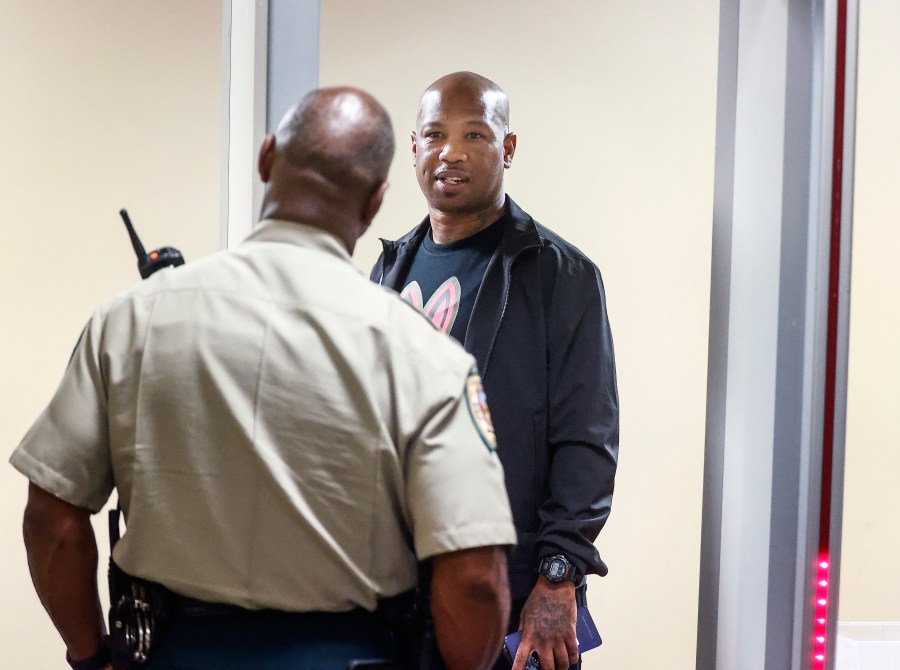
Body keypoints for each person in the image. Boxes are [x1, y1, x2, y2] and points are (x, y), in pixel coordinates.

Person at [12, 86, 517, 670]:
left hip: (172, 651)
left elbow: (54, 522)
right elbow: (475, 579)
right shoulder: (424, 355)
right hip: (350, 655)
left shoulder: (131, 321)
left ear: (266, 157)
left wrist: (91, 655)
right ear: (376, 201)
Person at [371, 72, 619, 670]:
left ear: (507, 149)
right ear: (413, 148)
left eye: (474, 134)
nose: (449, 152)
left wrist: (558, 578)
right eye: (434, 134)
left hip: (510, 588)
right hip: (397, 588)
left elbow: (588, 438)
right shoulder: (387, 270)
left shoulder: (560, 275)